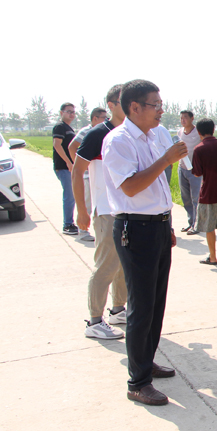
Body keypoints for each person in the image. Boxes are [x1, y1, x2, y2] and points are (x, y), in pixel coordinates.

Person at [102, 79, 186, 406]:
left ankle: (145, 361)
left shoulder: (150, 137)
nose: (161, 110)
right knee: (140, 306)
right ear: (134, 107)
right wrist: (166, 160)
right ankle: (137, 383)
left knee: (155, 302)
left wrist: (167, 224)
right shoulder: (118, 141)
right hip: (135, 229)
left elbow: (157, 190)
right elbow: (131, 187)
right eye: (155, 104)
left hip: (157, 226)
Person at [72, 85, 128, 340]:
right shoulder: (98, 134)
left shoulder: (130, 132)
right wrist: (82, 210)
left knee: (122, 264)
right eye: (122, 101)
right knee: (106, 265)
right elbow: (77, 170)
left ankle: (118, 310)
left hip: (126, 209)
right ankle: (94, 321)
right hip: (105, 209)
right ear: (111, 105)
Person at [192, 118, 217, 265]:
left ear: (198, 132)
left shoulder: (199, 149)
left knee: (209, 226)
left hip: (208, 193)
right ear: (213, 129)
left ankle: (213, 256)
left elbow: (197, 173)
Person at [69, 107, 108, 242]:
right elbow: (72, 147)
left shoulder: (104, 131)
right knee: (87, 203)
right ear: (95, 118)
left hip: (97, 174)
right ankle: (83, 230)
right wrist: (80, 165)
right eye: (104, 118)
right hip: (87, 175)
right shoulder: (88, 132)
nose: (106, 120)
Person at [53, 102, 78, 235]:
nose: (71, 114)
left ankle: (70, 222)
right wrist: (68, 162)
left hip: (69, 166)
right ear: (61, 113)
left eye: (73, 112)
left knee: (72, 195)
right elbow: (57, 145)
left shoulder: (68, 128)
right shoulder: (60, 127)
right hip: (63, 167)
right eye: (69, 112)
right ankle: (67, 224)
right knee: (69, 195)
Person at [177, 110, 202, 234]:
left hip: (195, 170)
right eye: (181, 118)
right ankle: (190, 222)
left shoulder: (198, 132)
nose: (183, 120)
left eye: (185, 117)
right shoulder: (180, 132)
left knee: (195, 198)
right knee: (185, 197)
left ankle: (197, 225)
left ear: (192, 118)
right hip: (182, 168)